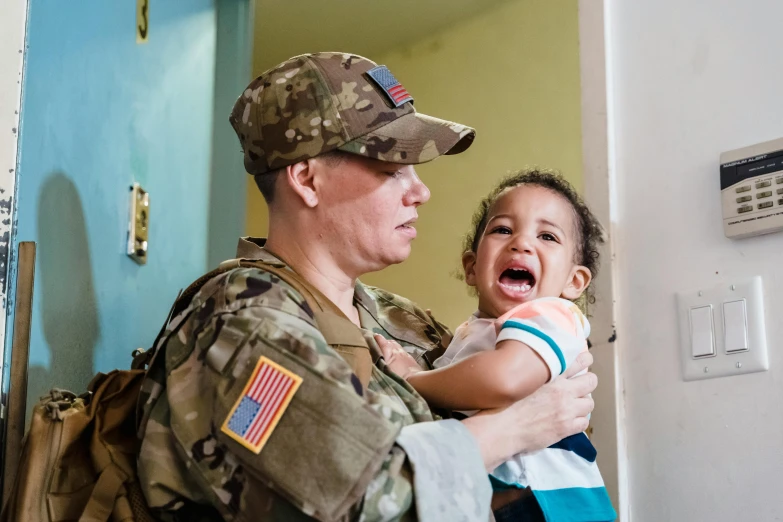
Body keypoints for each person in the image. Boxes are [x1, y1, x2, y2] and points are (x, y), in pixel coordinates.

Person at [136, 52, 598, 522]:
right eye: (392, 169)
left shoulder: (400, 319)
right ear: (308, 179)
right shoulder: (240, 326)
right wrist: (517, 427)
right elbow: (368, 496)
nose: (421, 191)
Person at [379, 170, 617, 521]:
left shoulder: (552, 315)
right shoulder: (471, 334)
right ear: (472, 267)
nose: (521, 243)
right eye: (503, 229)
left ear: (574, 281)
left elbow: (502, 380)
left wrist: (413, 378)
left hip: (551, 504)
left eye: (547, 236)